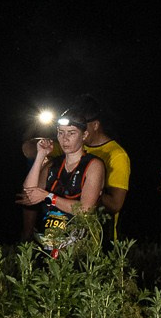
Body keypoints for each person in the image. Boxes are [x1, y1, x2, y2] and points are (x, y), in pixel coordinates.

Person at [19, 107, 104, 258]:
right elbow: (29, 194)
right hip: (47, 246)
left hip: (77, 249)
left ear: (84, 135)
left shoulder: (94, 165)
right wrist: (40, 156)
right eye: (60, 132)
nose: (65, 138)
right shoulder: (53, 164)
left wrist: (48, 196)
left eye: (71, 133)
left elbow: (85, 210)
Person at [75, 100, 134, 239]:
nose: (77, 130)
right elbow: (28, 150)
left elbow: (115, 204)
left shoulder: (116, 155)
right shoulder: (72, 145)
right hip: (69, 232)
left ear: (95, 125)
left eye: (81, 126)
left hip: (99, 236)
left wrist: (88, 189)